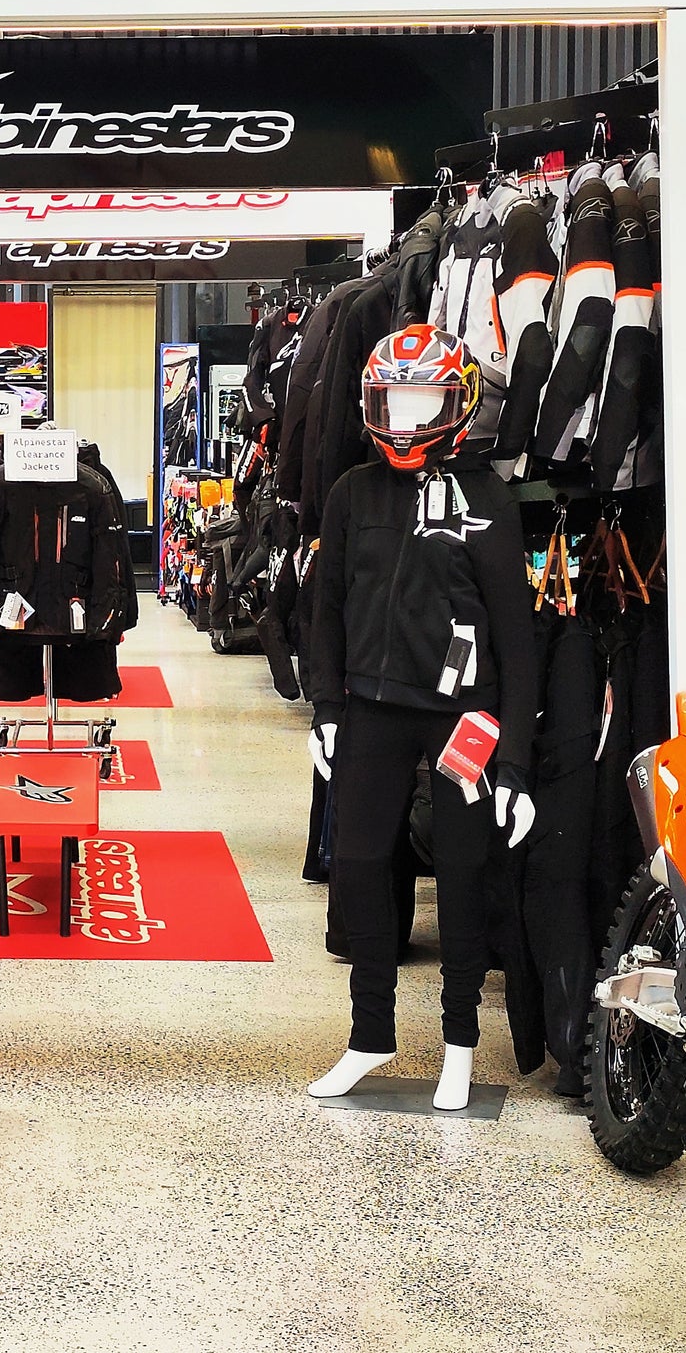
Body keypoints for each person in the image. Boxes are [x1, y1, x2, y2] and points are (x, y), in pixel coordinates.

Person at [297, 326, 540, 1113]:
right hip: (370, 709)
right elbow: (325, 611)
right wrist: (327, 707)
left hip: (460, 718)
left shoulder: (488, 501)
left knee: (464, 876)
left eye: (421, 398)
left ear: (455, 402)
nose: (404, 417)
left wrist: (513, 758)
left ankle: (461, 1043)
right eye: (393, 399)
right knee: (362, 867)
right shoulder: (351, 493)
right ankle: (370, 1032)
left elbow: (516, 637)